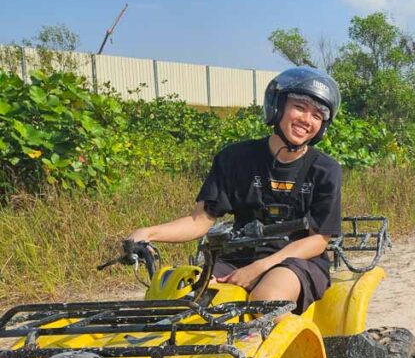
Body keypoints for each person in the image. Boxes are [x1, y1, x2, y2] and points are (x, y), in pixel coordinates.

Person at [127, 66, 343, 312]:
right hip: (239, 255)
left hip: (298, 261)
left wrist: (260, 267)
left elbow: (318, 240)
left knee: (266, 302)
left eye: (317, 115)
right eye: (300, 107)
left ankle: (291, 349)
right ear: (277, 106)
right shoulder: (235, 159)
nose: (307, 120)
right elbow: (200, 221)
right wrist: (148, 233)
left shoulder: (325, 169)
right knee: (182, 300)